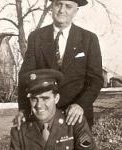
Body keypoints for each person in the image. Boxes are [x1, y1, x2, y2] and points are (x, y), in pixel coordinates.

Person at [16, 0, 103, 128]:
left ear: (76, 10)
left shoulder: (89, 39)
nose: (62, 10)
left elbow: (95, 80)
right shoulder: (36, 37)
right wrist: (23, 109)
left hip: (76, 117)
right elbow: (25, 77)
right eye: (58, 4)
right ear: (52, 6)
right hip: (43, 117)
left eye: (68, 6)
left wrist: (80, 105)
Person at [10, 69, 98, 150]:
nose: (39, 105)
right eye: (34, 99)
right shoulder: (19, 131)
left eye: (45, 98)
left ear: (56, 98)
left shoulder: (74, 123)